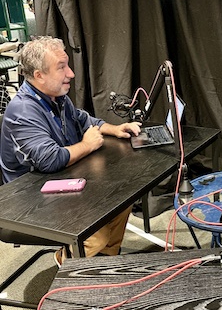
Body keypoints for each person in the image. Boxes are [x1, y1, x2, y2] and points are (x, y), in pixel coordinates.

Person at [0, 36, 141, 264]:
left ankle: (102, 260)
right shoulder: (23, 110)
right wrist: (87, 145)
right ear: (39, 75)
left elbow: (83, 120)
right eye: (61, 67)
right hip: (27, 200)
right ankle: (68, 261)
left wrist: (114, 129)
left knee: (121, 200)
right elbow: (49, 159)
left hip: (56, 182)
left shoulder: (55, 97)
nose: (71, 74)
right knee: (96, 227)